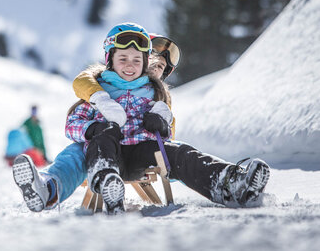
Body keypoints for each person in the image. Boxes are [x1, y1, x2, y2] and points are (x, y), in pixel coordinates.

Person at [13, 23, 270, 214]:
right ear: (110, 61)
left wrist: (160, 124)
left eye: (137, 60)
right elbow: (73, 123)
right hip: (99, 155)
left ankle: (230, 182)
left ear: (145, 63)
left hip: (138, 154)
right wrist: (92, 128)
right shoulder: (98, 90)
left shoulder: (152, 93)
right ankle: (48, 189)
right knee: (73, 155)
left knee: (178, 152)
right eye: (122, 58)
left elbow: (167, 128)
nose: (129, 64)